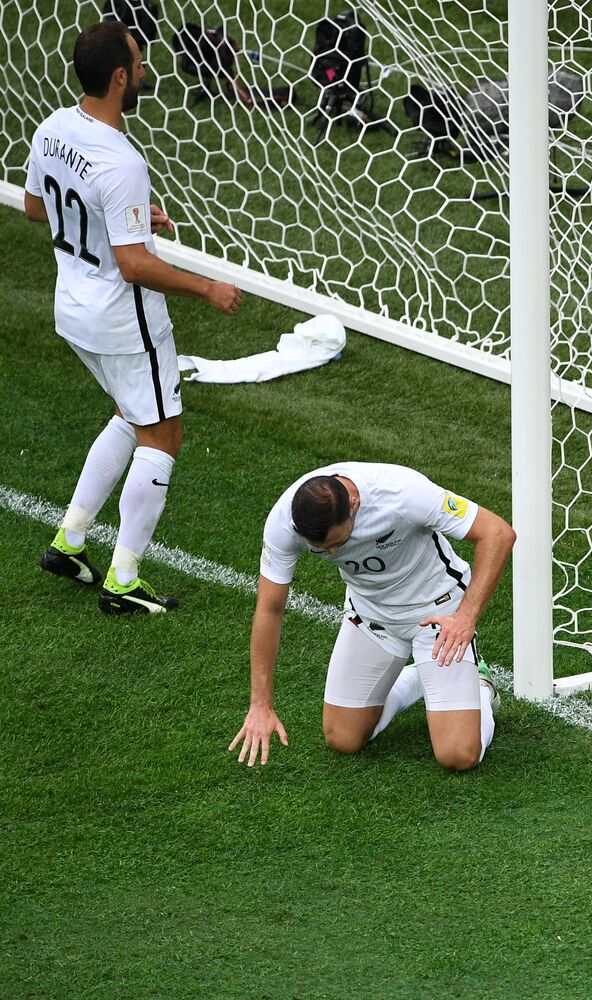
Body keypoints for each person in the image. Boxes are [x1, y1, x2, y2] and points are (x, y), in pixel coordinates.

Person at [25, 20, 243, 613]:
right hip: (124, 322)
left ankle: (69, 541)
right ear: (120, 77)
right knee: (163, 433)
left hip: (72, 311)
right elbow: (133, 266)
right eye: (140, 66)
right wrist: (207, 289)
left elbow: (35, 209)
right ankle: (124, 580)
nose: (145, 73)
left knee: (130, 411)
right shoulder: (122, 160)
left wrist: (130, 216)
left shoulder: (51, 130)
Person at [229, 463, 516, 771]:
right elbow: (269, 609)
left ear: (354, 505)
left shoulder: (402, 493)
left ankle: (482, 687)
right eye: (322, 549)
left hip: (437, 611)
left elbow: (497, 533)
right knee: (343, 738)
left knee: (458, 755)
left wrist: (465, 617)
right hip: (370, 615)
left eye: (338, 543)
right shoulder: (284, 522)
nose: (332, 552)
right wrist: (260, 704)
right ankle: (423, 676)